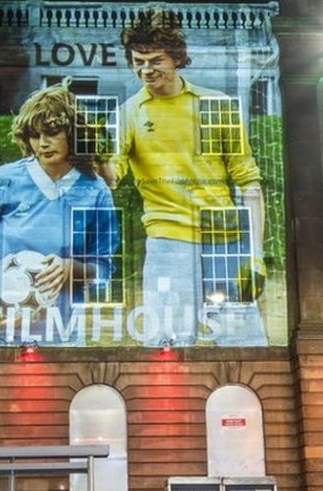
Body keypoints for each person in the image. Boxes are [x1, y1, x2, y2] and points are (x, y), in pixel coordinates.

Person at [106, 9, 267, 347]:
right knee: (166, 348)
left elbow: (249, 183)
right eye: (137, 61)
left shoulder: (216, 105)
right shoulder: (128, 114)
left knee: (244, 344)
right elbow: (111, 175)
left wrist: (254, 255)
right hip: (167, 243)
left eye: (155, 60)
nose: (145, 70)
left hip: (224, 241)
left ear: (176, 58)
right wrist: (90, 159)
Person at [0, 80, 119, 345]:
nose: (43, 143)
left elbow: (103, 269)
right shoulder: (1, 181)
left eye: (52, 132)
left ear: (73, 133)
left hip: (63, 335)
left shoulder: (96, 191)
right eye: (35, 135)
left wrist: (70, 269)